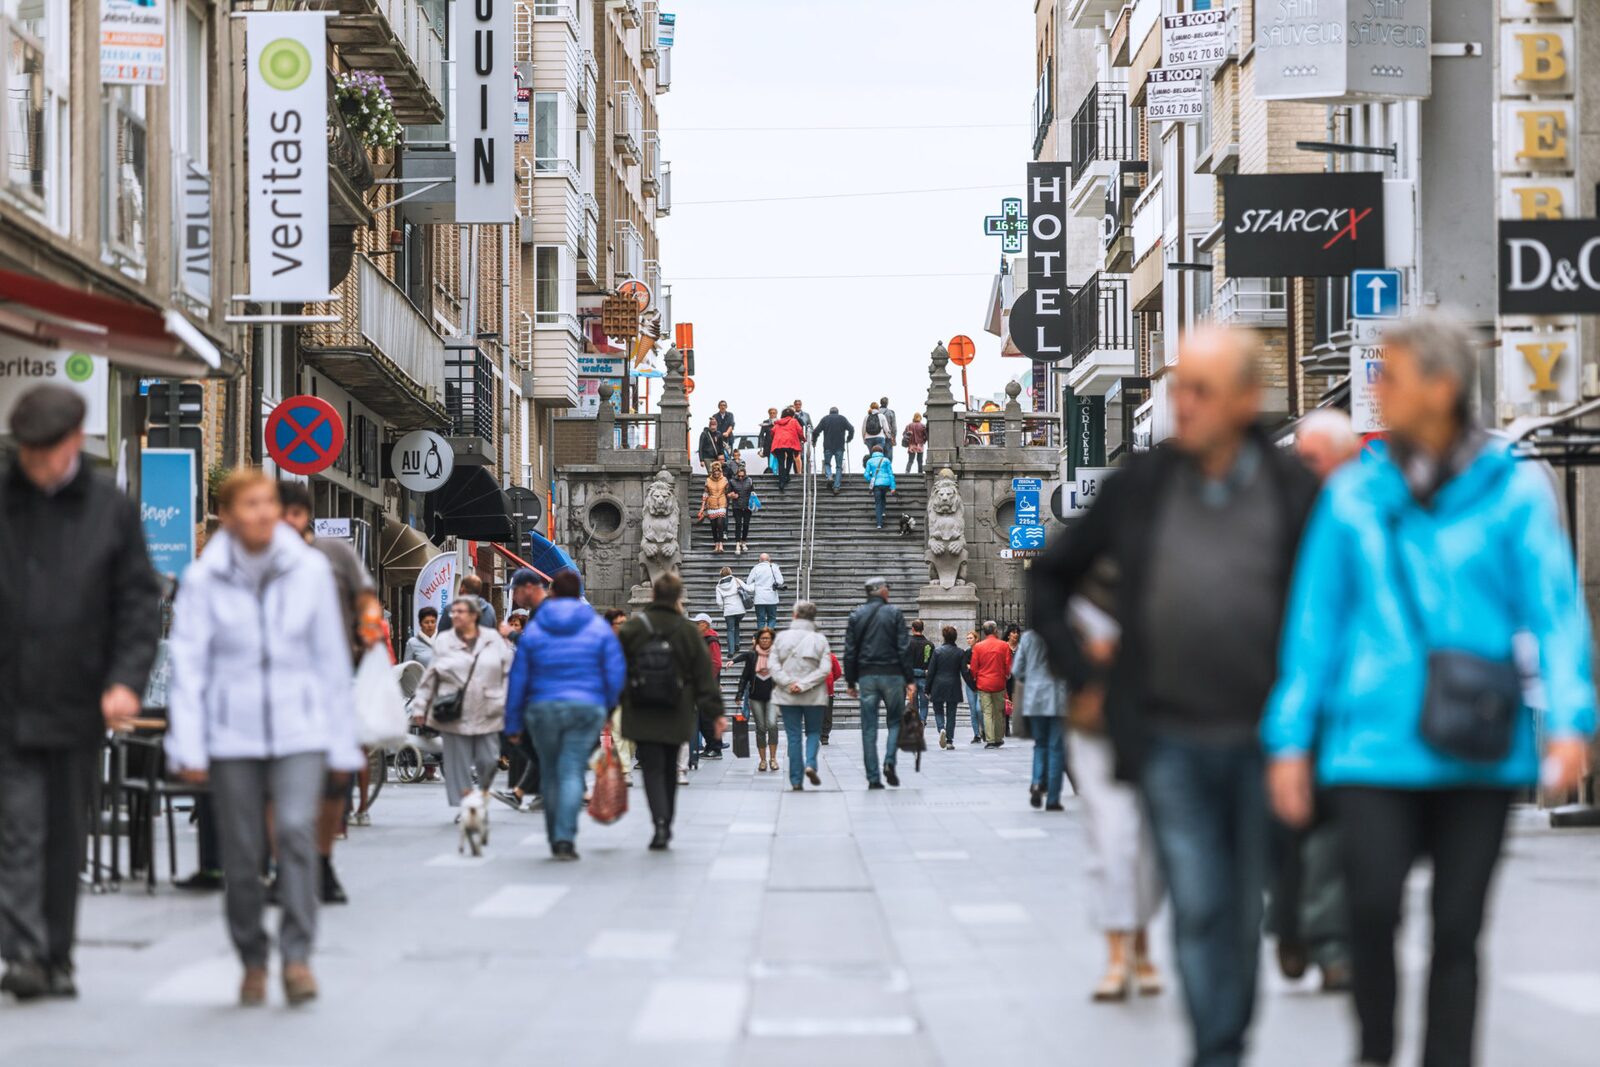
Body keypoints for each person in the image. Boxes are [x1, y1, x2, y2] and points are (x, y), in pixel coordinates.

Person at [1263, 311, 1596, 1067]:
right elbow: (1313, 627)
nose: (1375, 386)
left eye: (1391, 374)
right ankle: (1375, 1053)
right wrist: (1289, 738)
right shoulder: (1352, 499)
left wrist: (1571, 719)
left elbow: (1555, 609)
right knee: (1370, 909)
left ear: (1443, 387)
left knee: (1457, 930)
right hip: (1371, 745)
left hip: (1476, 741)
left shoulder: (1508, 490)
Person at [1029, 325, 1319, 1067]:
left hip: (1266, 734)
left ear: (1247, 398)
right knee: (1197, 900)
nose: (1181, 403)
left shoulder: (1293, 489)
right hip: (1166, 735)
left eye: (1200, 389)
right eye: (1177, 386)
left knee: (1243, 900)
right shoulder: (1142, 483)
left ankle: (1228, 1035)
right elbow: (1050, 576)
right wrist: (1084, 673)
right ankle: (1214, 1051)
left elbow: (1337, 600)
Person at [167, 470, 358, 1006]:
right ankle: (252, 956)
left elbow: (330, 657)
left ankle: (297, 957)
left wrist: (342, 742)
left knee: (296, 832)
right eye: (248, 504)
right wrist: (188, 742)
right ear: (226, 515)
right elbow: (189, 663)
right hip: (232, 733)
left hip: (300, 728)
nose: (261, 513)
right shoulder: (205, 579)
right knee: (243, 852)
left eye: (268, 503)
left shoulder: (310, 572)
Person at [0, 386, 160, 1001]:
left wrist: (125, 680)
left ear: (73, 442)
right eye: (27, 452)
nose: (36, 464)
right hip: (10, 698)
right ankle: (23, 954)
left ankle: (57, 954)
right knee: (16, 827)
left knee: (65, 831)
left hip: (78, 699)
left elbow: (137, 604)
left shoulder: (107, 508)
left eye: (47, 451)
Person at [1268, 408, 1363, 994]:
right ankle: (1293, 925)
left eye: (1319, 462)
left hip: (1351, 700)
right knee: (1287, 824)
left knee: (1332, 824)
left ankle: (1328, 939)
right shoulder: (1277, 519)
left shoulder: (1371, 515)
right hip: (1281, 695)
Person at [1065, 586, 1165, 1004]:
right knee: (1109, 838)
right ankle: (1116, 952)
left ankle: (1140, 944)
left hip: (1153, 720)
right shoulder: (1076, 587)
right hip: (1097, 723)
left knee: (1143, 843)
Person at [279, 481, 374, 903]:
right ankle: (283, 868)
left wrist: (370, 626)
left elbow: (366, 597)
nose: (285, 523)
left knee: (335, 777)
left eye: (293, 514)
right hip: (276, 684)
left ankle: (321, 860)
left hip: (332, 680)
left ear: (306, 516)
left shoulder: (334, 554)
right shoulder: (258, 558)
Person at [504, 569, 625, 861]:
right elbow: (615, 670)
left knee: (549, 771)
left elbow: (519, 677)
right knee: (571, 770)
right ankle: (565, 837)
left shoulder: (534, 629)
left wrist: (512, 722)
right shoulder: (596, 627)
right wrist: (608, 706)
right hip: (586, 708)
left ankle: (555, 835)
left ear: (554, 594)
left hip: (542, 708)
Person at [618, 573, 727, 849]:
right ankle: (668, 820)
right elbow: (704, 676)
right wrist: (715, 712)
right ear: (678, 598)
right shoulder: (688, 631)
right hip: (677, 707)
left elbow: (615, 669)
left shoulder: (634, 629)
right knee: (669, 768)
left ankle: (658, 823)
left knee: (652, 769)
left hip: (641, 708)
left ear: (654, 596)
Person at [410, 597, 512, 848]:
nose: (455, 616)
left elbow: (508, 672)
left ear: (475, 616)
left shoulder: (493, 640)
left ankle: (480, 795)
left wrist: (508, 702)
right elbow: (432, 673)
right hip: (455, 711)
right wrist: (421, 704)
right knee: (459, 763)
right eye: (453, 612)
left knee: (489, 760)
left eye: (460, 612)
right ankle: (468, 803)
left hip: (487, 708)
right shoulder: (444, 641)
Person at [842, 577, 912, 789]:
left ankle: (873, 777)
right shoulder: (894, 613)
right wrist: (910, 679)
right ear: (880, 591)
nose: (888, 592)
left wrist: (851, 681)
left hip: (867, 676)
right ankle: (889, 760)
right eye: (887, 588)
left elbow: (850, 651)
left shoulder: (856, 615)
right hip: (892, 674)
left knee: (869, 727)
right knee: (895, 722)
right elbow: (903, 648)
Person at [494, 569, 549, 813]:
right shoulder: (541, 610)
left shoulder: (545, 610)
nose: (514, 598)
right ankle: (527, 792)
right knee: (540, 744)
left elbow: (540, 647)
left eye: (515, 591)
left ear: (528, 588)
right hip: (543, 688)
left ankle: (524, 792)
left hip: (547, 689)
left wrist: (512, 635)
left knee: (532, 741)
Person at [770, 602, 831, 790]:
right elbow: (826, 669)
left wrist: (789, 683)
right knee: (813, 732)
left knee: (793, 736)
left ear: (794, 615)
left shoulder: (781, 638)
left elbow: (773, 665)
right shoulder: (820, 639)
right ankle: (811, 763)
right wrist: (805, 684)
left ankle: (796, 780)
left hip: (788, 694)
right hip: (813, 695)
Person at [1012, 629, 1067, 810]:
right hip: (1059, 696)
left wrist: (1032, 680)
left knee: (1040, 743)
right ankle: (1052, 798)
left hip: (1034, 697)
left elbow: (1017, 669)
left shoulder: (1028, 636)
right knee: (1056, 747)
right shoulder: (1065, 632)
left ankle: (1036, 782)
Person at [735, 629, 779, 772]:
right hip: (755, 697)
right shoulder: (752, 656)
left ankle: (773, 759)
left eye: (768, 638)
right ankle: (762, 760)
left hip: (773, 697)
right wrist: (740, 694)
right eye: (762, 638)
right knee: (760, 728)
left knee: (772, 725)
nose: (765, 641)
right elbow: (745, 676)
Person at [602, 608, 636, 787]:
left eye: (625, 623)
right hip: (613, 695)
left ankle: (625, 760)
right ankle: (625, 770)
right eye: (619, 624)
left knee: (631, 738)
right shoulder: (603, 644)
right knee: (619, 732)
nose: (624, 627)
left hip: (632, 694)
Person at [969, 621, 1013, 749]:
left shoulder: (978, 647)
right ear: (995, 630)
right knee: (999, 712)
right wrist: (1005, 675)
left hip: (983, 683)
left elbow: (973, 667)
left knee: (987, 712)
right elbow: (1007, 665)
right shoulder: (1004, 645)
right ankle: (999, 738)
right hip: (999, 683)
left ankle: (990, 740)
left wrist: (976, 677)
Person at [925, 626, 966, 750]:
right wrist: (973, 685)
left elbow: (931, 672)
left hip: (938, 684)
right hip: (953, 684)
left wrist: (927, 689)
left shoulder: (937, 652)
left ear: (944, 637)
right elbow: (964, 671)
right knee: (951, 713)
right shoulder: (960, 652)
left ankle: (941, 728)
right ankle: (949, 741)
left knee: (938, 710)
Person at [812, 406, 855, 492]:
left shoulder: (825, 419)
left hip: (828, 446)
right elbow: (851, 429)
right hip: (839, 446)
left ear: (830, 412)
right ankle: (836, 487)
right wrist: (849, 439)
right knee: (839, 467)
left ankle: (829, 476)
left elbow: (816, 431)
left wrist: (814, 440)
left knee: (827, 464)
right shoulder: (842, 419)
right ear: (837, 412)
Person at [715, 566, 751, 653]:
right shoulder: (736, 580)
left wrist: (723, 608)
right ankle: (737, 644)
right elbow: (747, 588)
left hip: (728, 610)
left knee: (730, 629)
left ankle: (731, 651)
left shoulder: (718, 586)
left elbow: (719, 602)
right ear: (730, 572)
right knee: (737, 624)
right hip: (740, 610)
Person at [746, 552, 784, 632]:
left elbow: (748, 582)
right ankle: (769, 636)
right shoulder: (774, 567)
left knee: (761, 620)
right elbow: (780, 581)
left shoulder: (755, 568)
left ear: (759, 560)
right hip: (772, 598)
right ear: (769, 560)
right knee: (772, 618)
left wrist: (757, 583)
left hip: (759, 599)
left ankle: (761, 638)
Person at [770, 406, 803, 492]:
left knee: (781, 462)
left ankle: (781, 482)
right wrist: (803, 439)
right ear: (792, 415)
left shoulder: (778, 423)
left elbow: (772, 431)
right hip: (791, 443)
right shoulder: (794, 421)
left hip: (779, 443)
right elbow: (799, 430)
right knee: (790, 458)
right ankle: (787, 475)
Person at [700, 462, 730, 554]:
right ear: (712, 472)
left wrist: (730, 496)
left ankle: (721, 544)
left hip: (721, 502)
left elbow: (727, 491)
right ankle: (716, 543)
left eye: (718, 471)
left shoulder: (724, 480)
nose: (716, 473)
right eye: (714, 472)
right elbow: (705, 493)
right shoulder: (708, 480)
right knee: (713, 525)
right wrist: (702, 507)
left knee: (720, 523)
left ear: (720, 471)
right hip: (711, 503)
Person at [863, 445, 896, 530]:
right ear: (881, 452)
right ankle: (883, 512)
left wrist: (872, 479)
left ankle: (879, 524)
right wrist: (893, 487)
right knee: (883, 496)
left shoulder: (870, 461)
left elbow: (866, 474)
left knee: (878, 503)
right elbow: (890, 474)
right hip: (886, 484)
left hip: (876, 485)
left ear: (873, 452)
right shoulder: (886, 460)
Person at [907, 619, 934, 724]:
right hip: (925, 676)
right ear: (923, 629)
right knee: (924, 702)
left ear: (912, 629)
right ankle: (922, 720)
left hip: (911, 677)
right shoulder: (930, 645)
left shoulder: (907, 643)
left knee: (913, 702)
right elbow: (932, 662)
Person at [727, 462, 756, 555]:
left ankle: (744, 541)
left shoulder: (750, 480)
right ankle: (737, 543)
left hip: (747, 506)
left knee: (746, 525)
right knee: (738, 524)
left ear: (745, 475)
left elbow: (752, 491)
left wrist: (753, 497)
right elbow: (728, 493)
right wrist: (732, 495)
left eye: (742, 476)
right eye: (739, 476)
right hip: (737, 506)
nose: (740, 477)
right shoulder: (732, 481)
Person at [962, 629, 984, 744]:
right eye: (967, 638)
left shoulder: (981, 651)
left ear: (976, 639)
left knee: (979, 709)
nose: (969, 640)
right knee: (972, 711)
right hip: (970, 685)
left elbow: (982, 667)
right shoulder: (967, 653)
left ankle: (984, 730)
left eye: (971, 638)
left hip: (981, 684)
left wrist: (972, 667)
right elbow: (965, 669)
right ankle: (976, 734)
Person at [822, 652, 843, 746]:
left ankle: (824, 735)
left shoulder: (831, 657)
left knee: (825, 714)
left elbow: (838, 672)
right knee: (826, 715)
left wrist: (830, 680)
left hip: (826, 691)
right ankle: (823, 735)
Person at [714, 400, 736, 465]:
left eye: (724, 405)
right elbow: (714, 428)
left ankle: (730, 471)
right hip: (719, 440)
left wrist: (727, 433)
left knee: (729, 456)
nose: (723, 407)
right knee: (720, 457)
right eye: (721, 405)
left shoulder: (730, 415)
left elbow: (731, 425)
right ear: (719, 407)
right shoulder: (715, 416)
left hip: (728, 439)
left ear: (726, 407)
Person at [758, 407, 778, 475]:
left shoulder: (779, 422)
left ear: (776, 414)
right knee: (770, 461)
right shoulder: (765, 422)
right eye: (771, 413)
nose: (772, 414)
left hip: (778, 444)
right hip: (768, 445)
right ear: (769, 414)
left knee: (779, 461)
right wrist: (760, 448)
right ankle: (771, 474)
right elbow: (761, 435)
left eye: (774, 413)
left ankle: (778, 474)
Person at [878, 396, 898, 462]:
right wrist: (894, 437)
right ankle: (887, 469)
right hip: (888, 436)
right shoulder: (891, 412)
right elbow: (894, 427)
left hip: (878, 436)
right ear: (887, 403)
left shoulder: (876, 412)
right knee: (888, 456)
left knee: (879, 454)